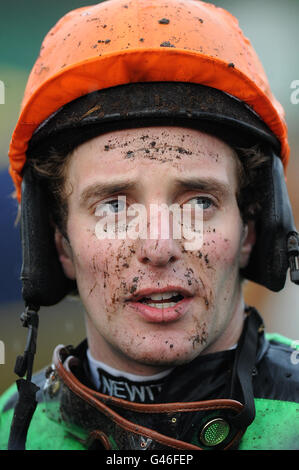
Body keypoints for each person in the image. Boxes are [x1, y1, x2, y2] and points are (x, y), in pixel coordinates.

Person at [0, 0, 298, 451]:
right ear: (58, 243)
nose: (159, 246)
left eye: (198, 202)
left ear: (251, 232)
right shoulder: (8, 432)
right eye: (115, 206)